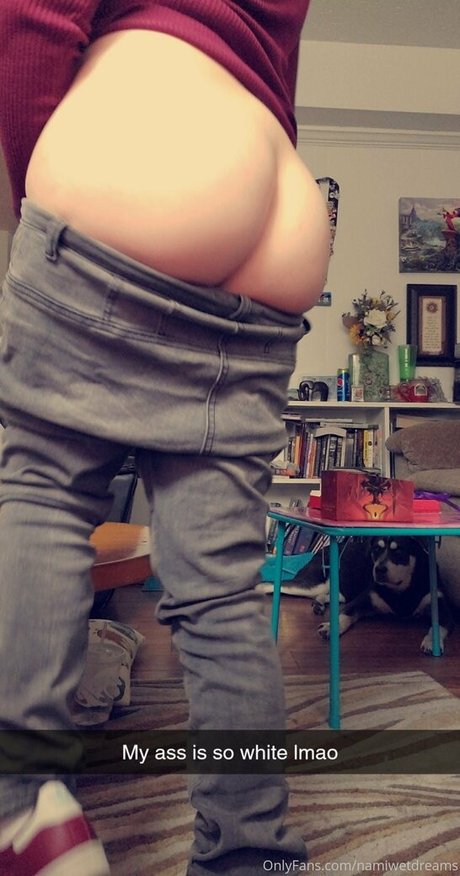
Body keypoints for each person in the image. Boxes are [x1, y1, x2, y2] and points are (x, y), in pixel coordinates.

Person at [0, 2, 330, 874]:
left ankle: (21, 808)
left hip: (136, 172)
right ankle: (252, 850)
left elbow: (34, 14)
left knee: (43, 494)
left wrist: (52, 182)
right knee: (221, 591)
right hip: (279, 235)